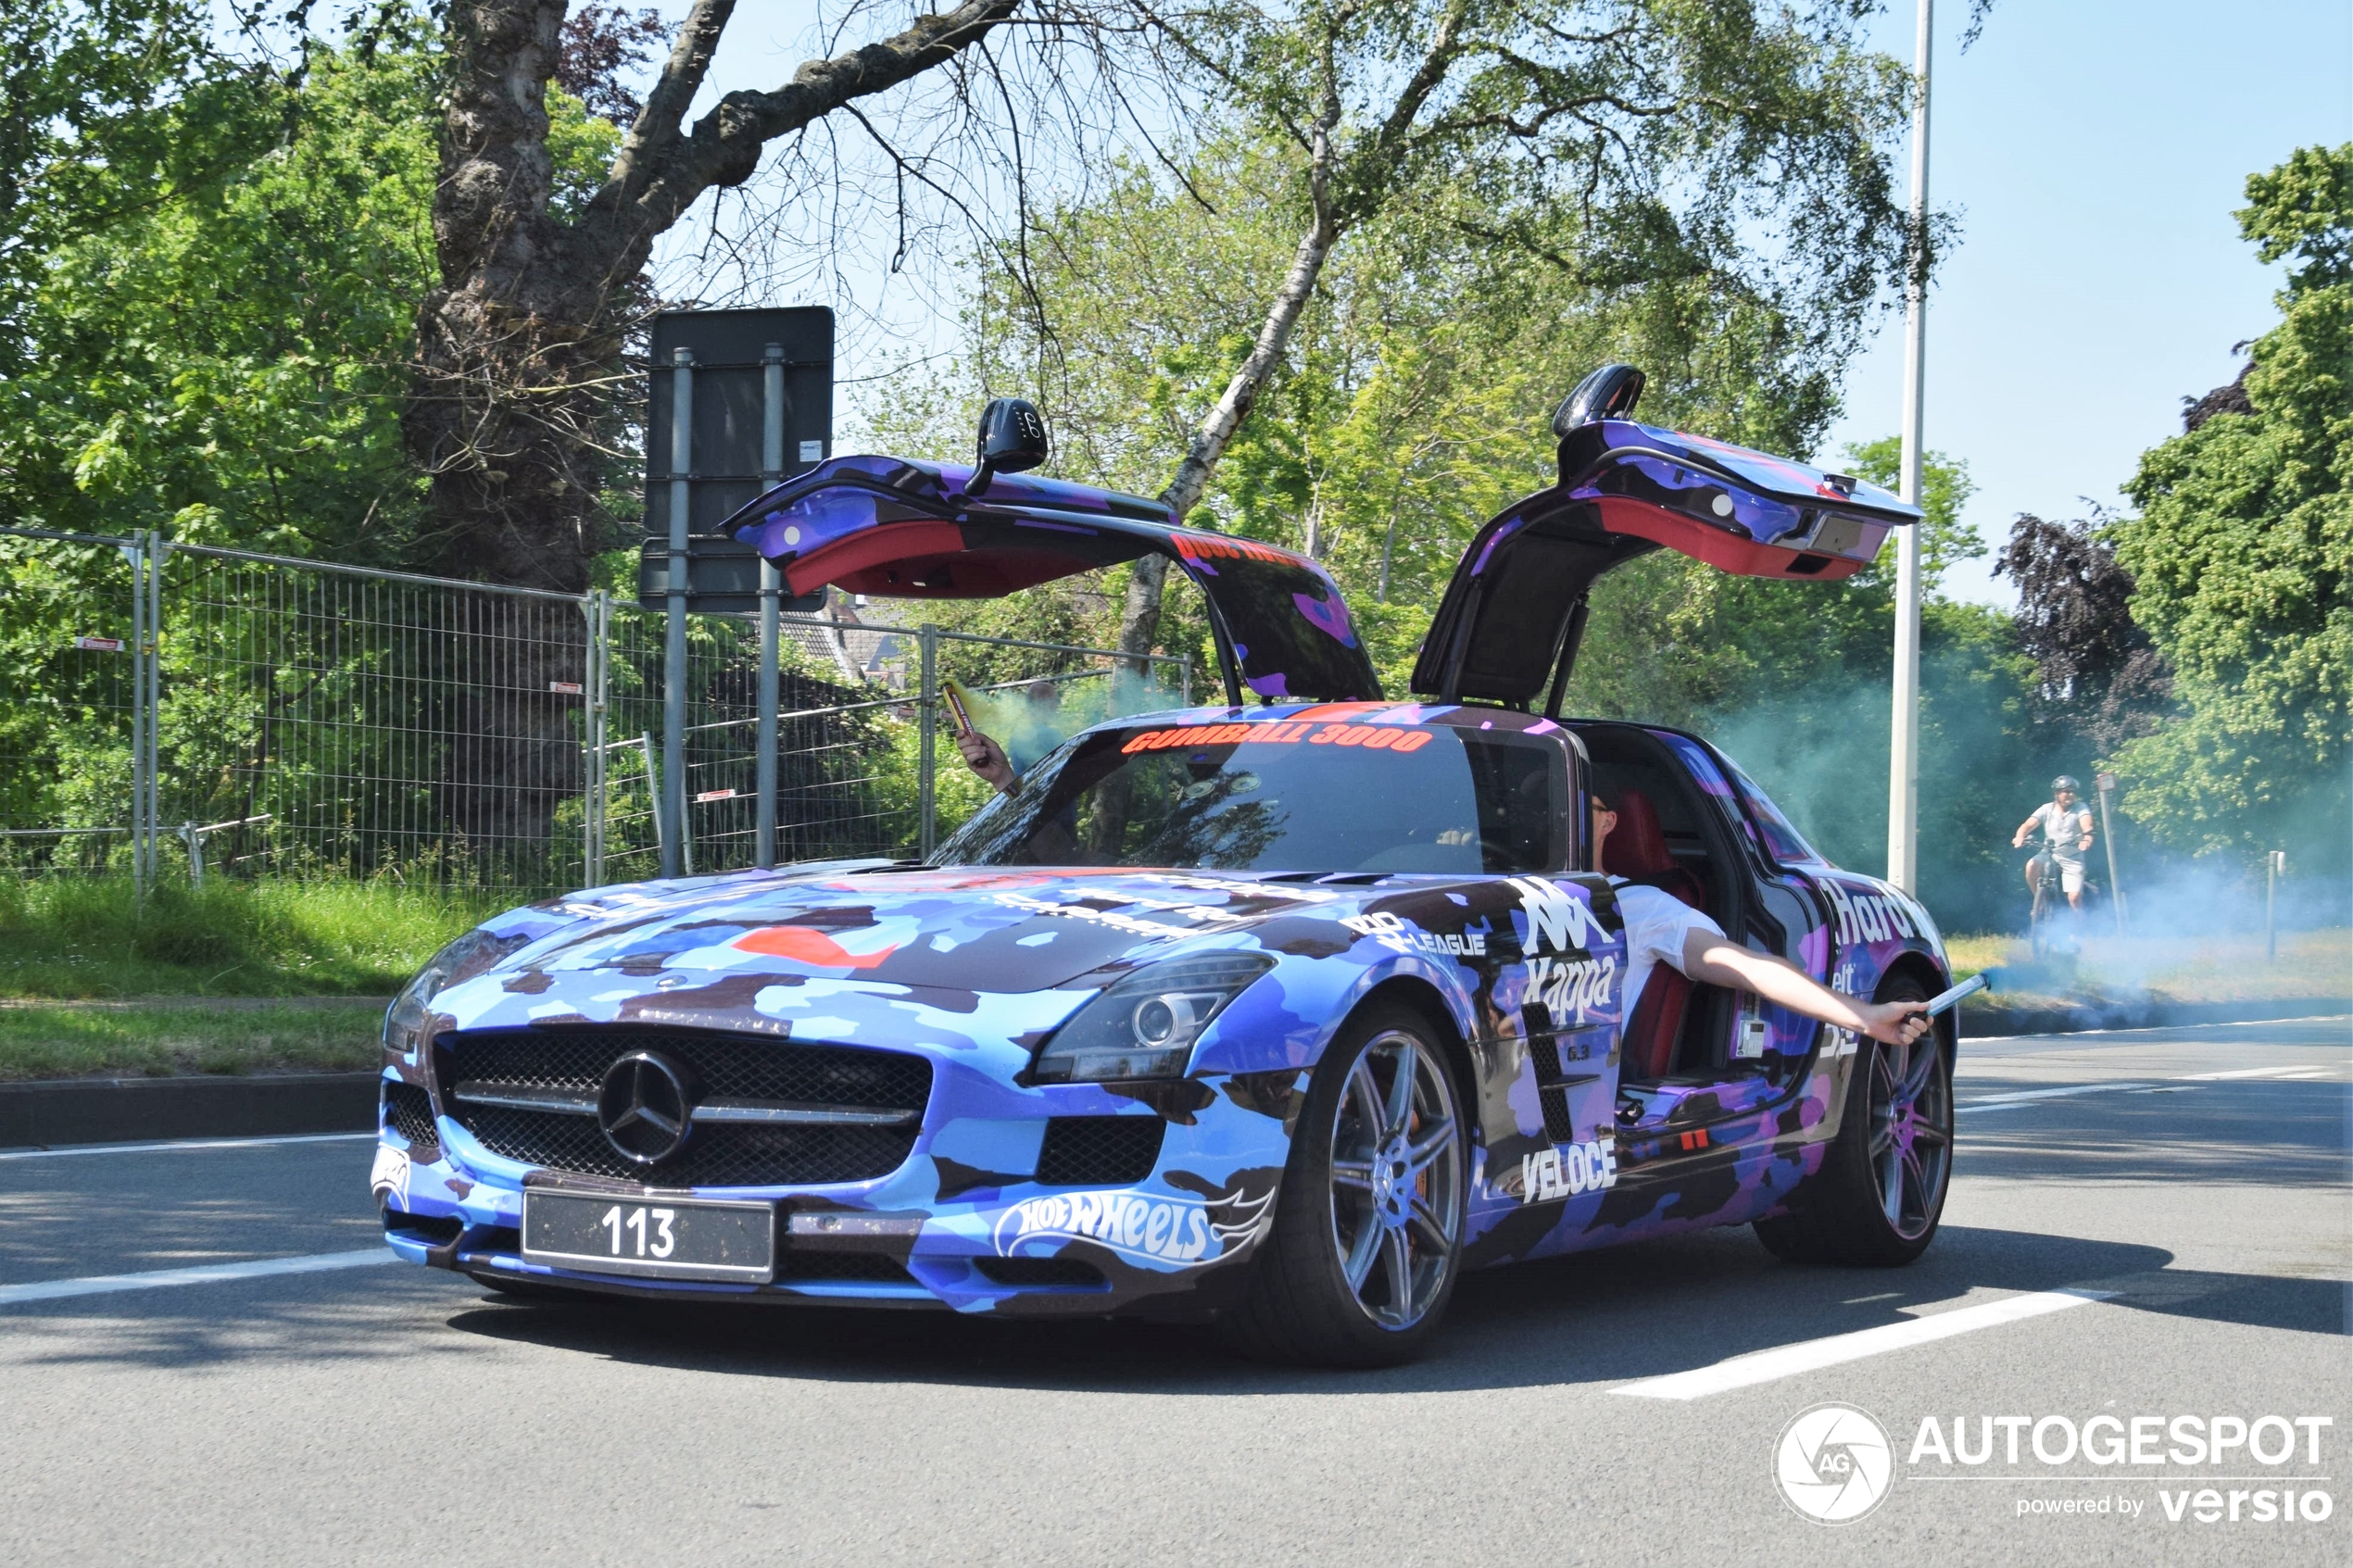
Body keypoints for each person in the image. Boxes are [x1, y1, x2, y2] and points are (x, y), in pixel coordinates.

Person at [1591, 791, 1931, 1049]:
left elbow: (1746, 966)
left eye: (1575, 803)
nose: (1555, 815)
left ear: (1609, 822)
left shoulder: (1642, 906)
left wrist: (1865, 1018)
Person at [2011, 775, 2095, 914]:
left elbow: (2088, 825)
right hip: (2049, 853)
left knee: (2074, 898)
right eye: (2066, 791)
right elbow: (2027, 825)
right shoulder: (2047, 809)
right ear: (2056, 794)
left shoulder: (2080, 808)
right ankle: (2040, 901)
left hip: (2072, 856)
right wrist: (2020, 837)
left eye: (2073, 791)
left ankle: (2077, 932)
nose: (2071, 794)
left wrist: (2087, 838)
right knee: (2031, 865)